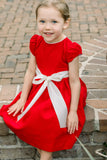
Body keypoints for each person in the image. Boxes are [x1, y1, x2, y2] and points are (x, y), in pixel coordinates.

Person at [0, 0, 87, 160]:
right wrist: (23, 99)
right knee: (30, 115)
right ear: (36, 21)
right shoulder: (36, 42)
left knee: (52, 119)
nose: (47, 27)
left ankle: (45, 157)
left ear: (65, 23)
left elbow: (74, 81)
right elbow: (30, 71)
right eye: (42, 21)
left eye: (54, 22)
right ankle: (42, 150)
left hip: (63, 90)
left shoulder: (69, 48)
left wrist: (73, 111)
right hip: (40, 87)